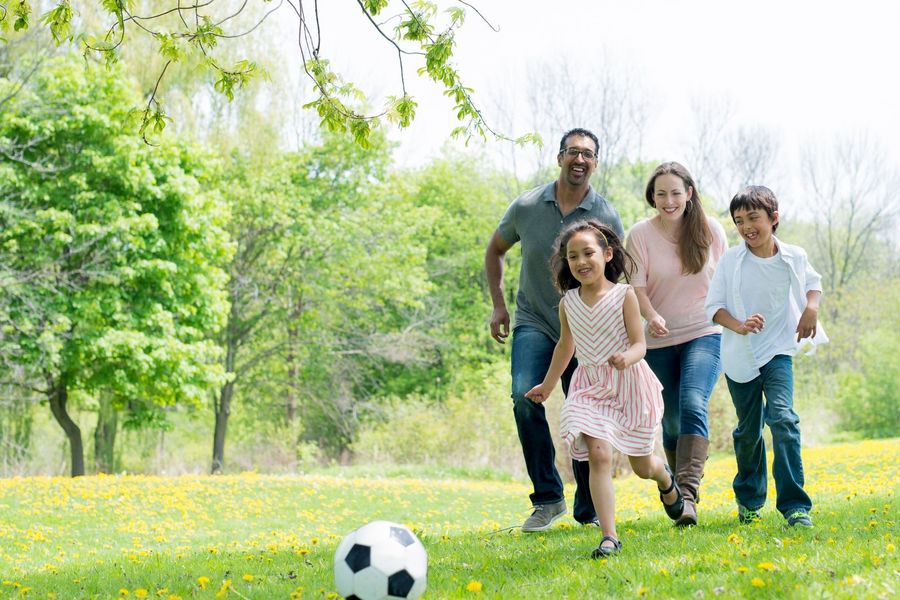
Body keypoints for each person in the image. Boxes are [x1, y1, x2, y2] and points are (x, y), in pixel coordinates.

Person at [485, 128, 625, 532]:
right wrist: (498, 304)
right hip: (535, 321)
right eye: (573, 152)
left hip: (586, 327)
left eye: (588, 154)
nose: (580, 160)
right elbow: (495, 250)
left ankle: (589, 504)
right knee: (523, 395)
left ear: (595, 163)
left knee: (586, 412)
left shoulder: (606, 215)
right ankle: (547, 498)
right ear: (560, 156)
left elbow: (616, 274)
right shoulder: (527, 205)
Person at [525, 221, 683, 557]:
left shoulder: (625, 296)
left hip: (630, 386)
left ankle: (665, 479)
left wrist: (627, 356)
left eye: (588, 253)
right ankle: (609, 536)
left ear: (607, 254)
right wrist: (549, 385)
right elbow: (566, 346)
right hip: (590, 387)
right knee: (598, 455)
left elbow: (641, 345)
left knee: (643, 467)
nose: (581, 261)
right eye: (572, 256)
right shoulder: (569, 302)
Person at [704, 185, 827, 528]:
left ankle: (795, 507)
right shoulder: (731, 260)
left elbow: (812, 284)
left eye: (753, 218)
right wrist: (739, 325)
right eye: (739, 220)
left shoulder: (793, 255)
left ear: (773, 219)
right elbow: (713, 309)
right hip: (740, 354)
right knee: (749, 430)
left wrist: (811, 309)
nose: (746, 227)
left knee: (784, 420)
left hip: (777, 351)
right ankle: (749, 500)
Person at [624, 162, 728, 526]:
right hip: (659, 339)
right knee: (669, 423)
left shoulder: (711, 230)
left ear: (690, 193)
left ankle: (688, 495)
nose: (668, 200)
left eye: (675, 192)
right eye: (661, 193)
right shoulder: (639, 234)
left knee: (693, 401)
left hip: (706, 331)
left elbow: (726, 281)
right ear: (652, 196)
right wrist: (651, 316)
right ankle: (672, 489)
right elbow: (635, 287)